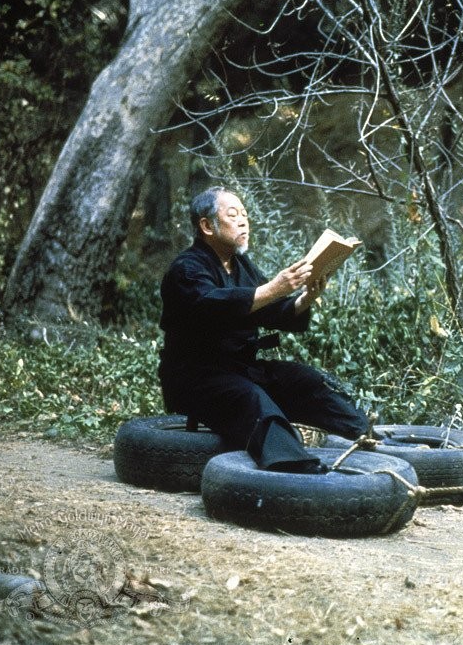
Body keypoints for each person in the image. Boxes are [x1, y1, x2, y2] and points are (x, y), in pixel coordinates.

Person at [158, 186, 369, 473]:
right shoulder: (186, 268)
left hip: (242, 368)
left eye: (245, 214)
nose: (244, 221)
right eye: (233, 215)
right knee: (253, 401)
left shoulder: (240, 264)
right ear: (207, 226)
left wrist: (305, 298)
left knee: (308, 381)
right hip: (196, 377)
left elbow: (270, 309)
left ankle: (367, 436)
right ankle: (295, 469)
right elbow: (212, 304)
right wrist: (274, 288)